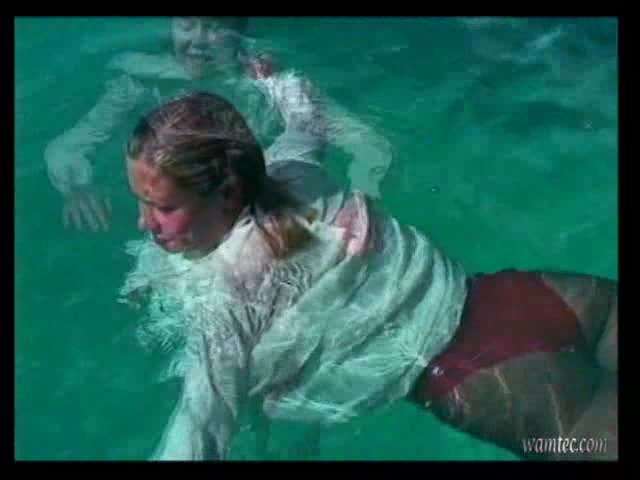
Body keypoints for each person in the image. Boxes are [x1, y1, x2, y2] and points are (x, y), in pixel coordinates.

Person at [119, 90, 617, 461]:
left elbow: (202, 424)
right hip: (527, 294)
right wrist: (276, 81)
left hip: (484, 378)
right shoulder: (292, 173)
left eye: (162, 207)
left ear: (228, 194)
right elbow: (307, 120)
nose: (145, 223)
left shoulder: (227, 294)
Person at [45, 16, 395, 232]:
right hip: (183, 214)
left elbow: (368, 142)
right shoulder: (142, 81)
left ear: (239, 33)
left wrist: (363, 198)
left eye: (213, 27)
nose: (196, 41)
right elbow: (67, 146)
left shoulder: (271, 81)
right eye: (186, 24)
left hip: (263, 205)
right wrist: (77, 187)